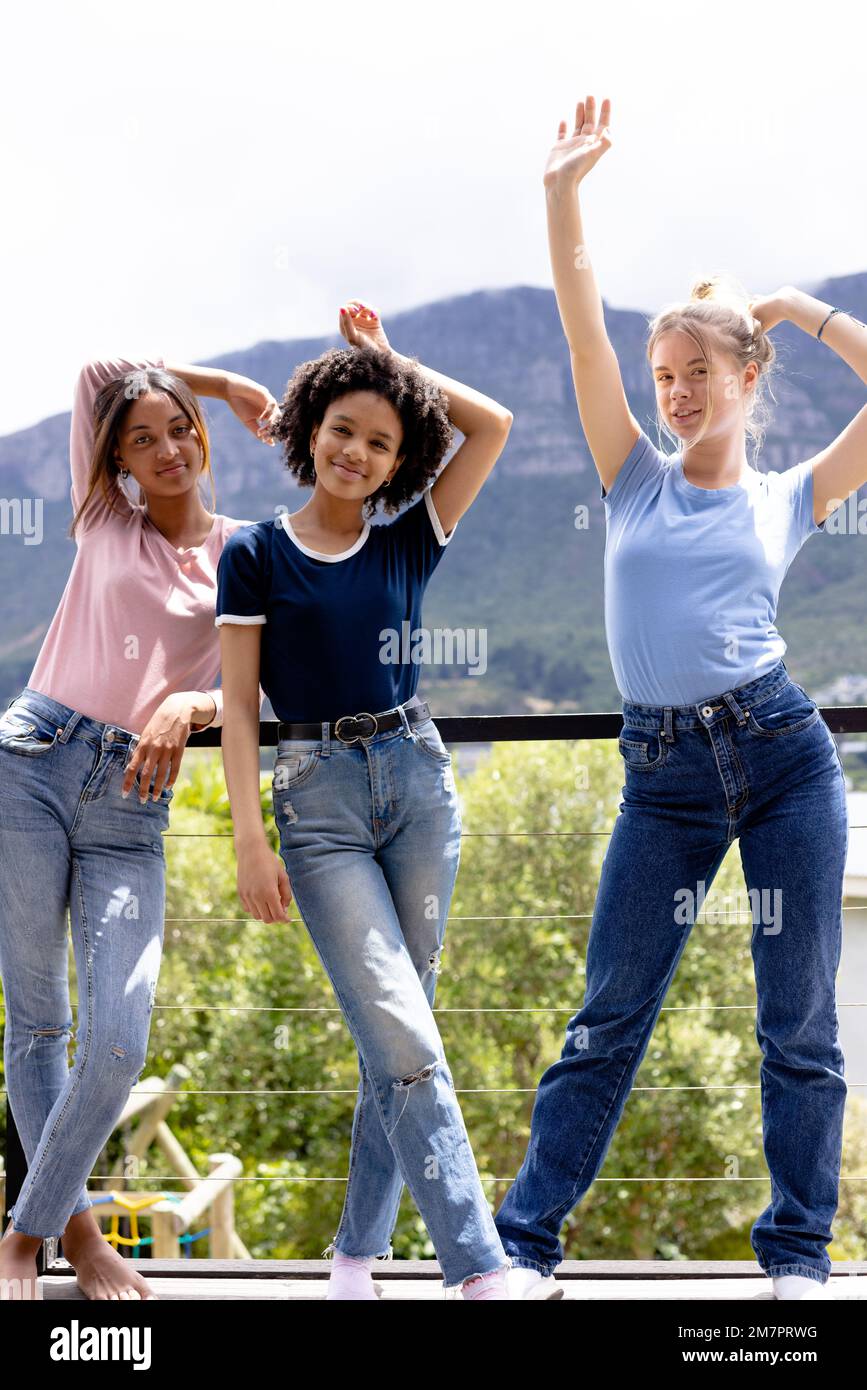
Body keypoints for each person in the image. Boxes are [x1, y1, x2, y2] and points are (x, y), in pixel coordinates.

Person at [496, 94, 867, 1302]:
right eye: (663, 374)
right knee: (609, 1017)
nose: (673, 391)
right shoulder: (631, 475)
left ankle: (799, 1254)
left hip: (785, 761)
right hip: (662, 781)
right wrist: (564, 194)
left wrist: (790, 305)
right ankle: (524, 1245)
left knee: (797, 1022)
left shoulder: (792, 495)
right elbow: (578, 329)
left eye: (696, 371)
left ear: (747, 374)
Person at [216, 300, 514, 1299]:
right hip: (316, 806)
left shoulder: (406, 543)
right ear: (309, 432)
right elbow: (238, 706)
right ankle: (478, 1267)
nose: (357, 449)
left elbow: (495, 426)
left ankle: (353, 1257)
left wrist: (390, 358)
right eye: (342, 427)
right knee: (401, 1025)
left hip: (420, 787)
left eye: (381, 441)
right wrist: (250, 841)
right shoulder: (254, 553)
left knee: (400, 1032)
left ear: (397, 462)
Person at [0, 353, 277, 1300]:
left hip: (130, 804)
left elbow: (255, 688)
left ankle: (21, 1227)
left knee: (118, 1041)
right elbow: (97, 369)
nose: (165, 447)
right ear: (115, 462)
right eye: (141, 438)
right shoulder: (101, 517)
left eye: (178, 429)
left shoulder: (247, 550)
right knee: (38, 1025)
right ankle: (63, 1238)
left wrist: (191, 706)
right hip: (29, 764)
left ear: (201, 444)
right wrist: (226, 384)